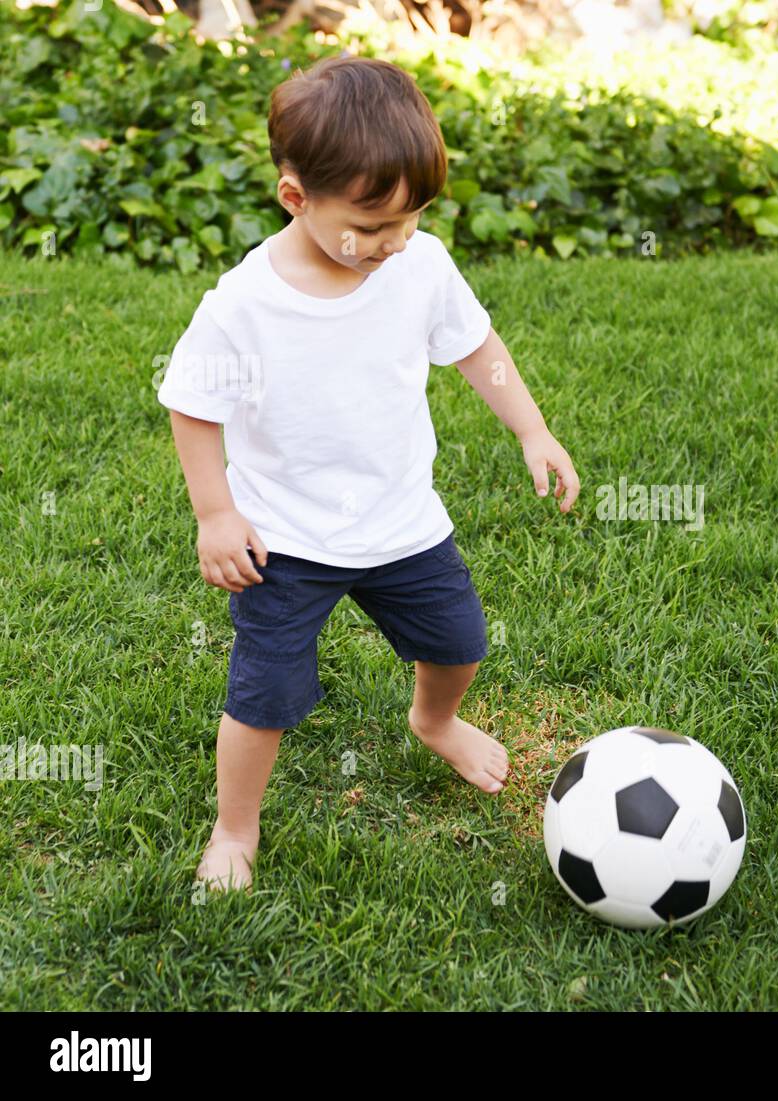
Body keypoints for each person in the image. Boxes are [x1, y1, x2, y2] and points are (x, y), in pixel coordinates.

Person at [157, 55, 580, 892]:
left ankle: (435, 721)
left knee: (459, 642)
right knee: (263, 696)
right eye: (372, 226)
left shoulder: (417, 266)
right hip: (285, 538)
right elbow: (193, 405)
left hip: (400, 523)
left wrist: (532, 429)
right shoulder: (243, 304)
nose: (393, 244)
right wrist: (216, 513)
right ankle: (235, 827)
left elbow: (477, 351)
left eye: (412, 220)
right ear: (295, 198)